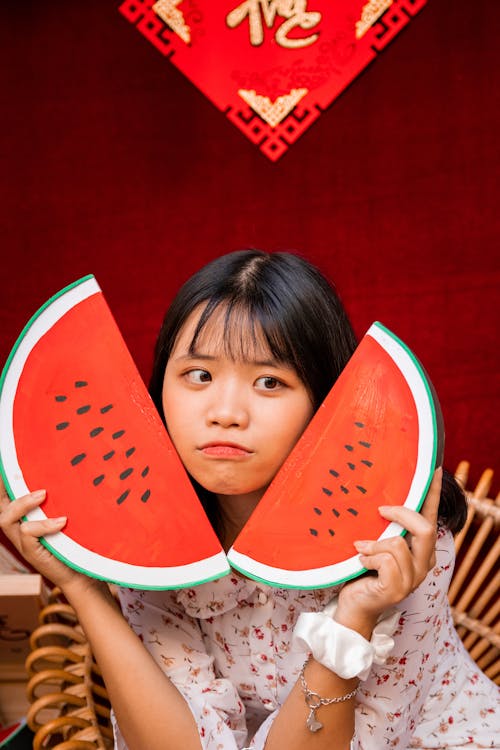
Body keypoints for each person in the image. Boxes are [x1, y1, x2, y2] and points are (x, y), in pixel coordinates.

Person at [1, 250, 498, 750]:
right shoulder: (151, 530)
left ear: (328, 400)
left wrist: (357, 617)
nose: (225, 413)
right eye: (198, 375)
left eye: (269, 382)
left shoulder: (403, 545)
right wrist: (82, 584)